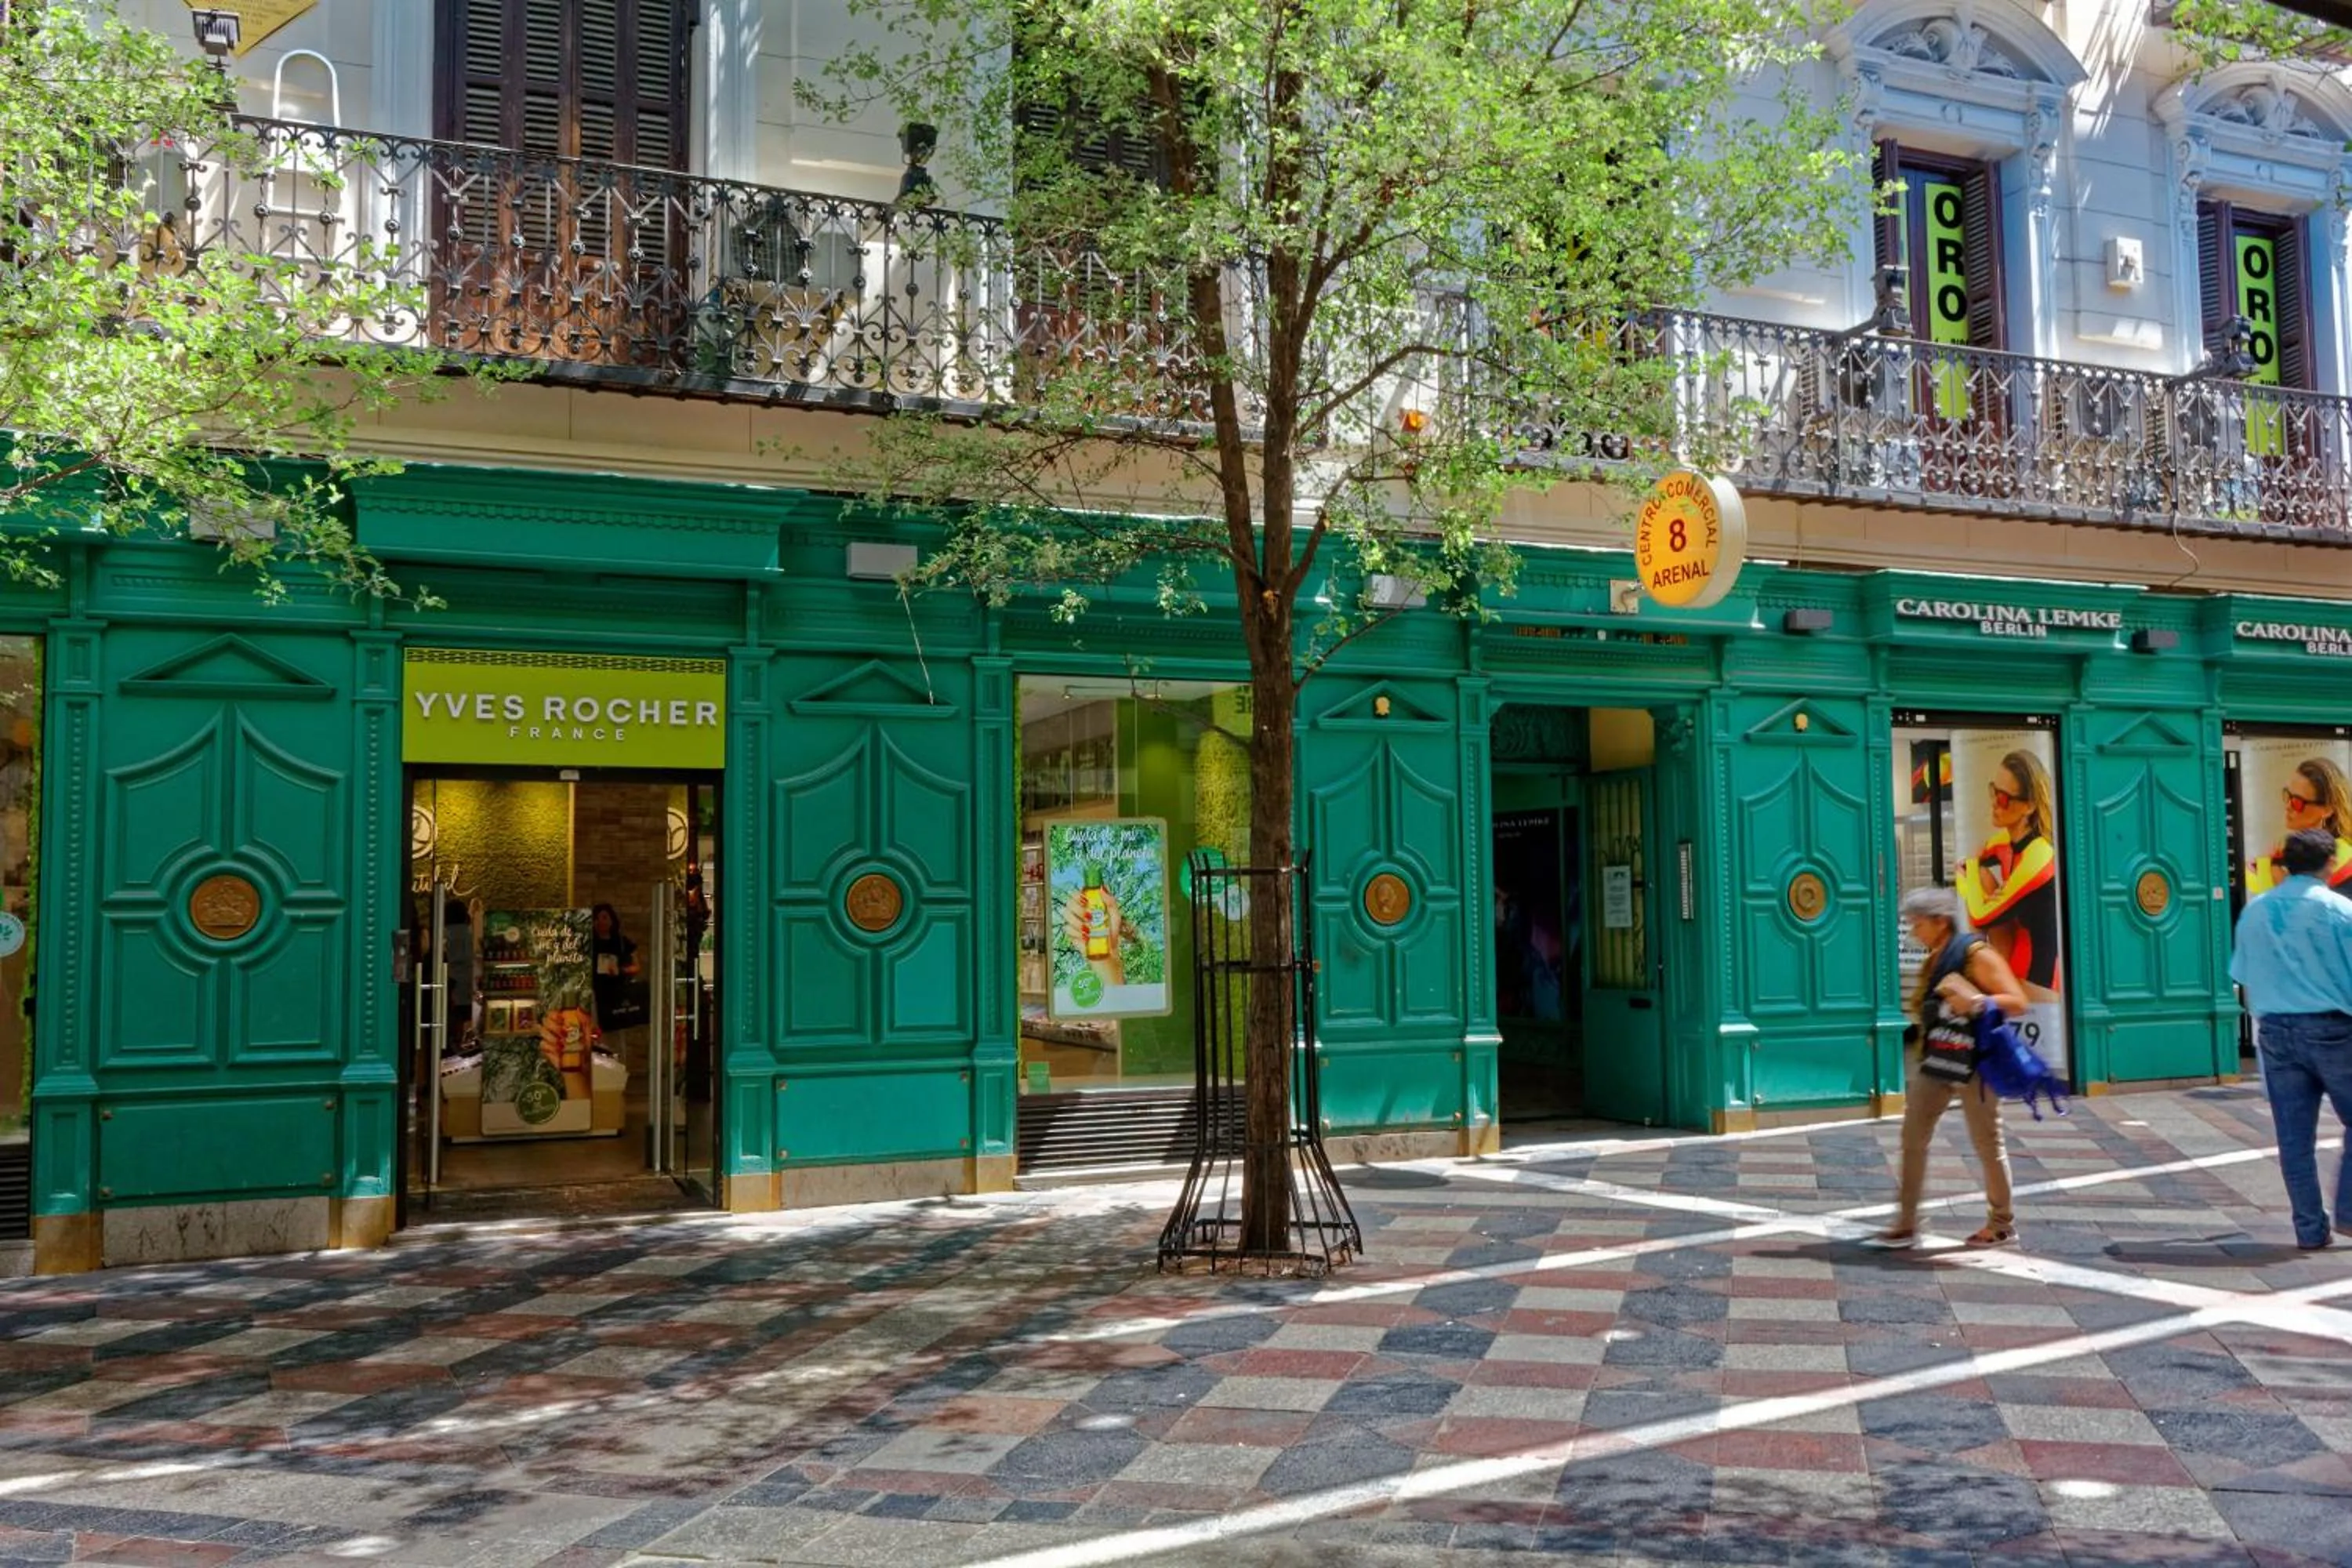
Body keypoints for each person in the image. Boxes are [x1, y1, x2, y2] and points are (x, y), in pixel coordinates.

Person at [1871, 885, 2031, 1250]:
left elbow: (2017, 1000)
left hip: (1975, 1061)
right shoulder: (1934, 956)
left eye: (1918, 924)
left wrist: (1974, 1001)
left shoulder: (1976, 954)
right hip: (1938, 1057)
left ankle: (2002, 1223)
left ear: (1940, 922)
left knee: (1987, 1142)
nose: (1913, 932)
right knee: (1913, 1136)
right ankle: (1908, 1220)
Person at [2229, 826, 2352, 1252]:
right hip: (2334, 1028)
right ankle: (2349, 1211)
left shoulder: (2257, 910)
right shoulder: (2340, 910)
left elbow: (2242, 973)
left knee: (2293, 1138)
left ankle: (2308, 1228)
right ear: (2329, 864)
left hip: (2276, 1030)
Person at [1959, 749, 2061, 1005]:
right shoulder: (2004, 842)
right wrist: (1973, 871)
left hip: (2041, 985)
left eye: (2004, 798)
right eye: (1994, 791)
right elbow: (1972, 865)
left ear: (2029, 806)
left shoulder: (2039, 855)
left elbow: (1980, 916)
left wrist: (1971, 869)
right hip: (2012, 972)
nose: (1994, 802)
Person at [2246, 757, 2352, 902]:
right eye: (2287, 795)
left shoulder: (2346, 864)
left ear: (2328, 809)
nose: (2288, 806)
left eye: (2297, 802)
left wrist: (2285, 887)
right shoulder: (2277, 855)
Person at [589, 902, 641, 1030]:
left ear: (612, 919)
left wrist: (621, 971)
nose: (600, 922)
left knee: (617, 1032)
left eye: (605, 917)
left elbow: (637, 967)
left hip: (617, 993)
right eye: (597, 918)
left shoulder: (622, 942)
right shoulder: (589, 943)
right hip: (595, 995)